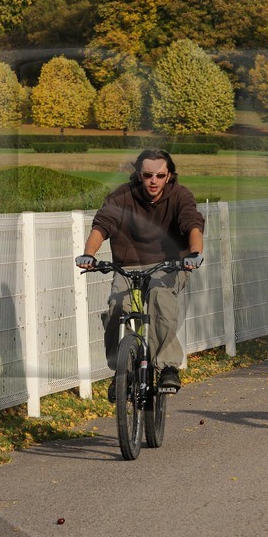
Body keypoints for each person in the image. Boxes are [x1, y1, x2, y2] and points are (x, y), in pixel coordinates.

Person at [76, 149, 205, 396]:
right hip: (128, 266)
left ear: (169, 176)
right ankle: (121, 371)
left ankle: (167, 367)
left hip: (170, 264)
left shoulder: (180, 196)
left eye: (159, 175)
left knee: (160, 296)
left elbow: (192, 224)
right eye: (147, 175)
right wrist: (89, 254)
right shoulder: (122, 196)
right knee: (118, 306)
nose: (153, 181)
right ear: (139, 175)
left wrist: (194, 254)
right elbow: (102, 225)